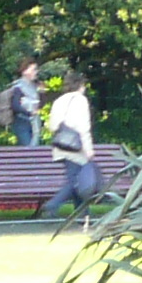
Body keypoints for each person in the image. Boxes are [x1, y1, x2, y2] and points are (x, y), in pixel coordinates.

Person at [45, 72, 103, 216]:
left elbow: (52, 126)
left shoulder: (59, 101)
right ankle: (53, 204)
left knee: (76, 180)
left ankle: (83, 215)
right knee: (75, 183)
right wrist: (88, 149)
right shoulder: (80, 100)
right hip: (76, 148)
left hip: (60, 147)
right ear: (80, 85)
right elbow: (83, 127)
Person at [1, 58, 44, 147]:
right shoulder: (18, 87)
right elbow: (15, 106)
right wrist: (29, 112)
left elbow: (39, 104)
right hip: (21, 121)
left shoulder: (35, 86)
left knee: (34, 146)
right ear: (25, 71)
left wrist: (42, 93)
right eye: (33, 70)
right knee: (28, 147)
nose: (36, 72)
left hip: (34, 121)